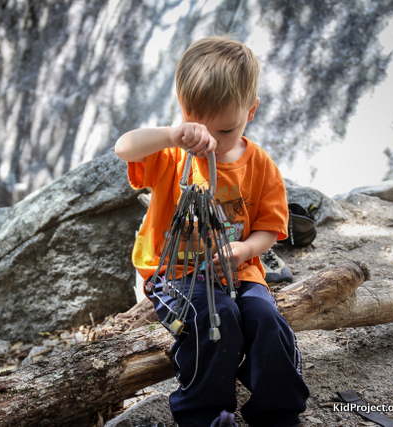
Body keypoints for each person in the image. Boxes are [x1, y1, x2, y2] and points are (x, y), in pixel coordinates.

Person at [114, 36, 310, 427]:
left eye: (224, 131)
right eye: (197, 126)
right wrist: (173, 134)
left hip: (240, 271)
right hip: (174, 277)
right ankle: (203, 415)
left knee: (266, 322)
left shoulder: (261, 166)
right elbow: (125, 147)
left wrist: (242, 250)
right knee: (216, 319)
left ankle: (279, 412)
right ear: (183, 111)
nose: (210, 142)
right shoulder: (173, 154)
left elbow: (270, 230)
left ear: (251, 111)